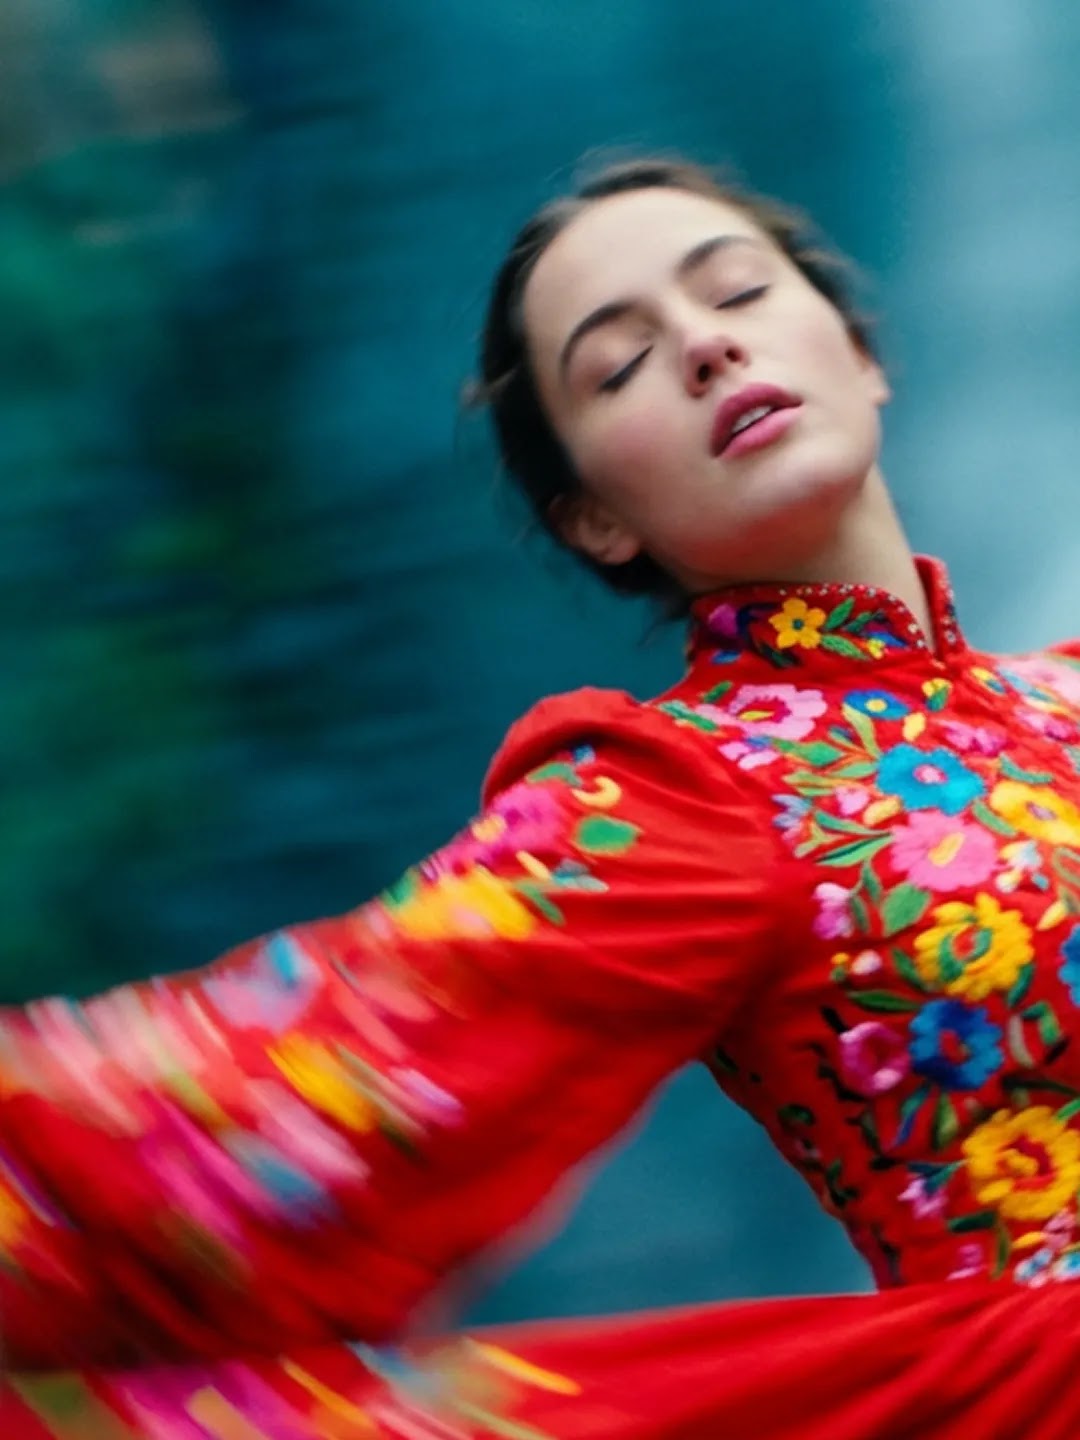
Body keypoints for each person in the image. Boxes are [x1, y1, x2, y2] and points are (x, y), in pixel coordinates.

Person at [5, 155, 1080, 1439]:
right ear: (595, 522)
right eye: (617, 366)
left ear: (861, 354)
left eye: (736, 291)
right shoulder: (694, 796)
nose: (703, 347)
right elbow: (311, 1082)